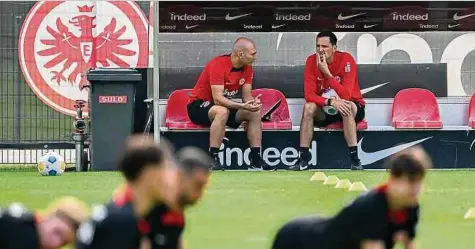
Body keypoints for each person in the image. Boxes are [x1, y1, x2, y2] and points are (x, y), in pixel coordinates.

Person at [272, 146, 432, 249]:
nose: (416, 188)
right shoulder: (371, 207)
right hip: (295, 240)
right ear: (393, 179)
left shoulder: (411, 206)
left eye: (419, 181)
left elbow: (410, 243)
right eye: (411, 181)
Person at [75, 135, 181, 249]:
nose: (172, 176)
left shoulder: (155, 214)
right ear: (149, 174)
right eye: (166, 168)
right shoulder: (120, 224)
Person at [187, 37, 273, 171]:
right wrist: (242, 106)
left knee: (254, 112)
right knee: (222, 111)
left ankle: (256, 160)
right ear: (241, 54)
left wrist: (252, 103)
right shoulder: (218, 65)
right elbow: (218, 99)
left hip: (224, 106)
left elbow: (246, 96)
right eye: (253, 53)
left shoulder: (248, 68)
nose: (256, 57)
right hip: (198, 106)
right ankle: (213, 159)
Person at [289, 31, 365, 171]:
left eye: (324, 46)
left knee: (346, 105)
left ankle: (355, 161)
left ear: (334, 48)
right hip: (326, 108)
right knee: (308, 107)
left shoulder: (346, 59)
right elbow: (309, 95)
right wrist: (330, 102)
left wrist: (327, 73)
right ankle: (303, 160)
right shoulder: (311, 61)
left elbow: (346, 95)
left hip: (352, 106)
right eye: (318, 46)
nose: (320, 50)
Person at [145, 146, 212, 249]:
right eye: (197, 185)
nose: (200, 195)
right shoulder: (145, 212)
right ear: (179, 176)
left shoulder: (175, 213)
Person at [0, 196, 89, 249]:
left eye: (62, 244)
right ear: (49, 217)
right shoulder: (22, 233)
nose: (55, 243)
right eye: (57, 232)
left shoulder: (25, 221)